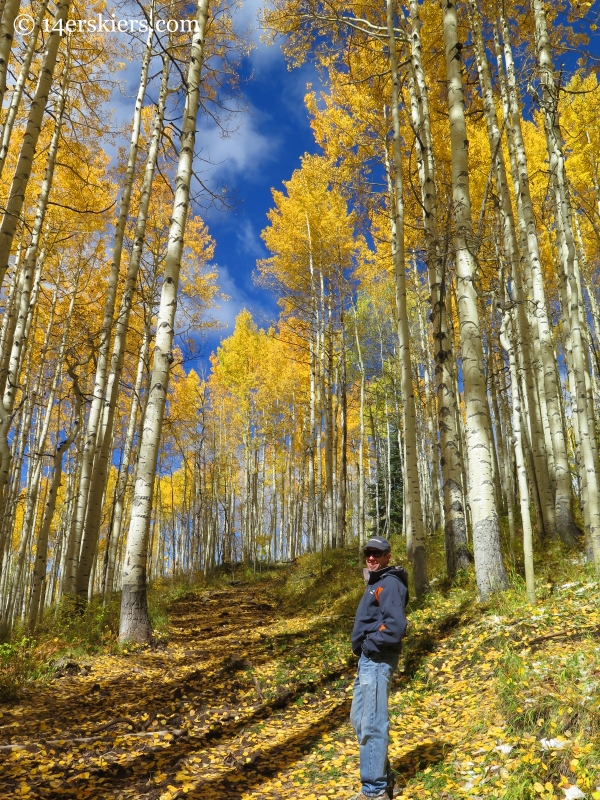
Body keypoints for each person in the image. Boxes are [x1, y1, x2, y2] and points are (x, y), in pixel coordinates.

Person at [349, 536, 409, 800]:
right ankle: (385, 782)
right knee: (360, 719)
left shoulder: (389, 583)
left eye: (377, 553)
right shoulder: (376, 583)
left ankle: (373, 791)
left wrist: (370, 645)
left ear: (387, 556)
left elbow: (395, 625)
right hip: (367, 661)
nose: (371, 557)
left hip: (376, 659)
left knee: (372, 723)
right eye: (368, 553)